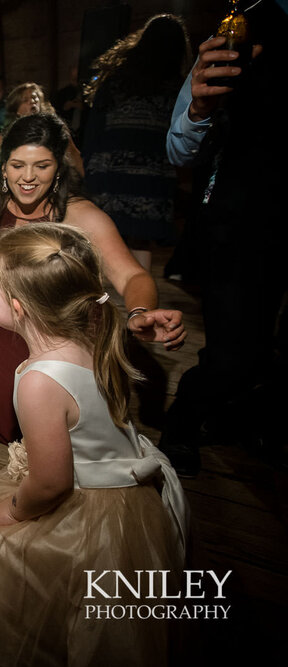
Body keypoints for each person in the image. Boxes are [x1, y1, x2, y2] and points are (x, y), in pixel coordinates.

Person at [0, 223, 188, 665]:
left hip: (93, 502)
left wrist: (13, 510)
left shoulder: (39, 382)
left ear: (19, 307)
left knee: (7, 557)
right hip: (128, 471)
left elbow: (50, 483)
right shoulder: (94, 329)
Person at [0, 113, 185, 444]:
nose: (28, 177)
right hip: (8, 317)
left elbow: (132, 275)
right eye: (17, 165)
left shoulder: (80, 214)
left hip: (60, 325)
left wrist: (139, 312)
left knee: (48, 418)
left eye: (41, 166)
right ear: (3, 167)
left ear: (59, 168)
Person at [160, 0, 284, 476]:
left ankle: (251, 422)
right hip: (244, 220)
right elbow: (179, 147)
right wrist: (200, 109)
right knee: (233, 353)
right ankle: (184, 420)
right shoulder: (240, 26)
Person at [82, 14, 190, 271]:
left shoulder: (116, 79)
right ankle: (139, 304)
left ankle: (103, 301)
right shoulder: (177, 86)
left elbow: (94, 127)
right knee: (141, 240)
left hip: (110, 168)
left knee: (104, 236)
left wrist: (88, 166)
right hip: (151, 173)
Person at [0, 82, 84, 177]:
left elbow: (74, 157)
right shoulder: (7, 134)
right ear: (17, 110)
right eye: (25, 100)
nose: (32, 101)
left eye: (34, 97)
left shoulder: (56, 129)